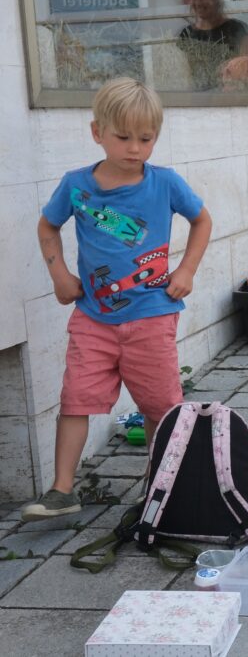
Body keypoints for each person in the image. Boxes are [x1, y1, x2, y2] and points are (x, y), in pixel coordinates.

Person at [24, 78, 213, 521]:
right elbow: (47, 226)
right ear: (97, 133)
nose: (135, 148)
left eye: (145, 139)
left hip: (152, 314)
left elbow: (201, 221)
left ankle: (161, 487)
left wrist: (185, 270)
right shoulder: (76, 186)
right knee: (75, 398)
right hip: (92, 316)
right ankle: (62, 490)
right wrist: (59, 275)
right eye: (123, 137)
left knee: (159, 405)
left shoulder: (165, 183)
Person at [178, 0, 248, 91]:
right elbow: (186, 75)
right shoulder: (187, 34)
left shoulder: (236, 29)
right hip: (198, 98)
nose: (197, 2)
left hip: (231, 95)